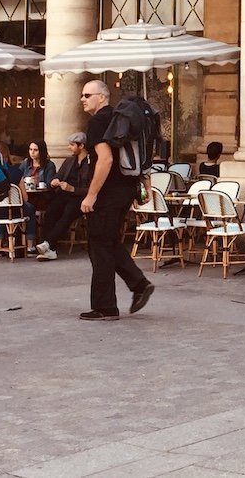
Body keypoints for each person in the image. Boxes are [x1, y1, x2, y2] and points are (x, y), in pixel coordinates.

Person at [79, 80, 155, 321]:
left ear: (102, 97)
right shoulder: (120, 119)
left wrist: (91, 195)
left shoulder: (98, 121)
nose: (82, 99)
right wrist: (144, 188)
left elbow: (105, 160)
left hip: (107, 194)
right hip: (125, 190)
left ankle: (105, 306)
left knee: (99, 246)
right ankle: (139, 284)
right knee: (109, 242)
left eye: (87, 95)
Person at [31, 132, 94, 261]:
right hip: (64, 195)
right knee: (51, 211)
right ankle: (50, 248)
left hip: (81, 197)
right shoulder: (69, 160)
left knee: (68, 212)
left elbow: (92, 188)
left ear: (81, 146)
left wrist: (73, 189)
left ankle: (48, 244)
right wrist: (54, 181)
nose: (69, 148)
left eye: (72, 145)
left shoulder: (91, 162)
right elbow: (58, 176)